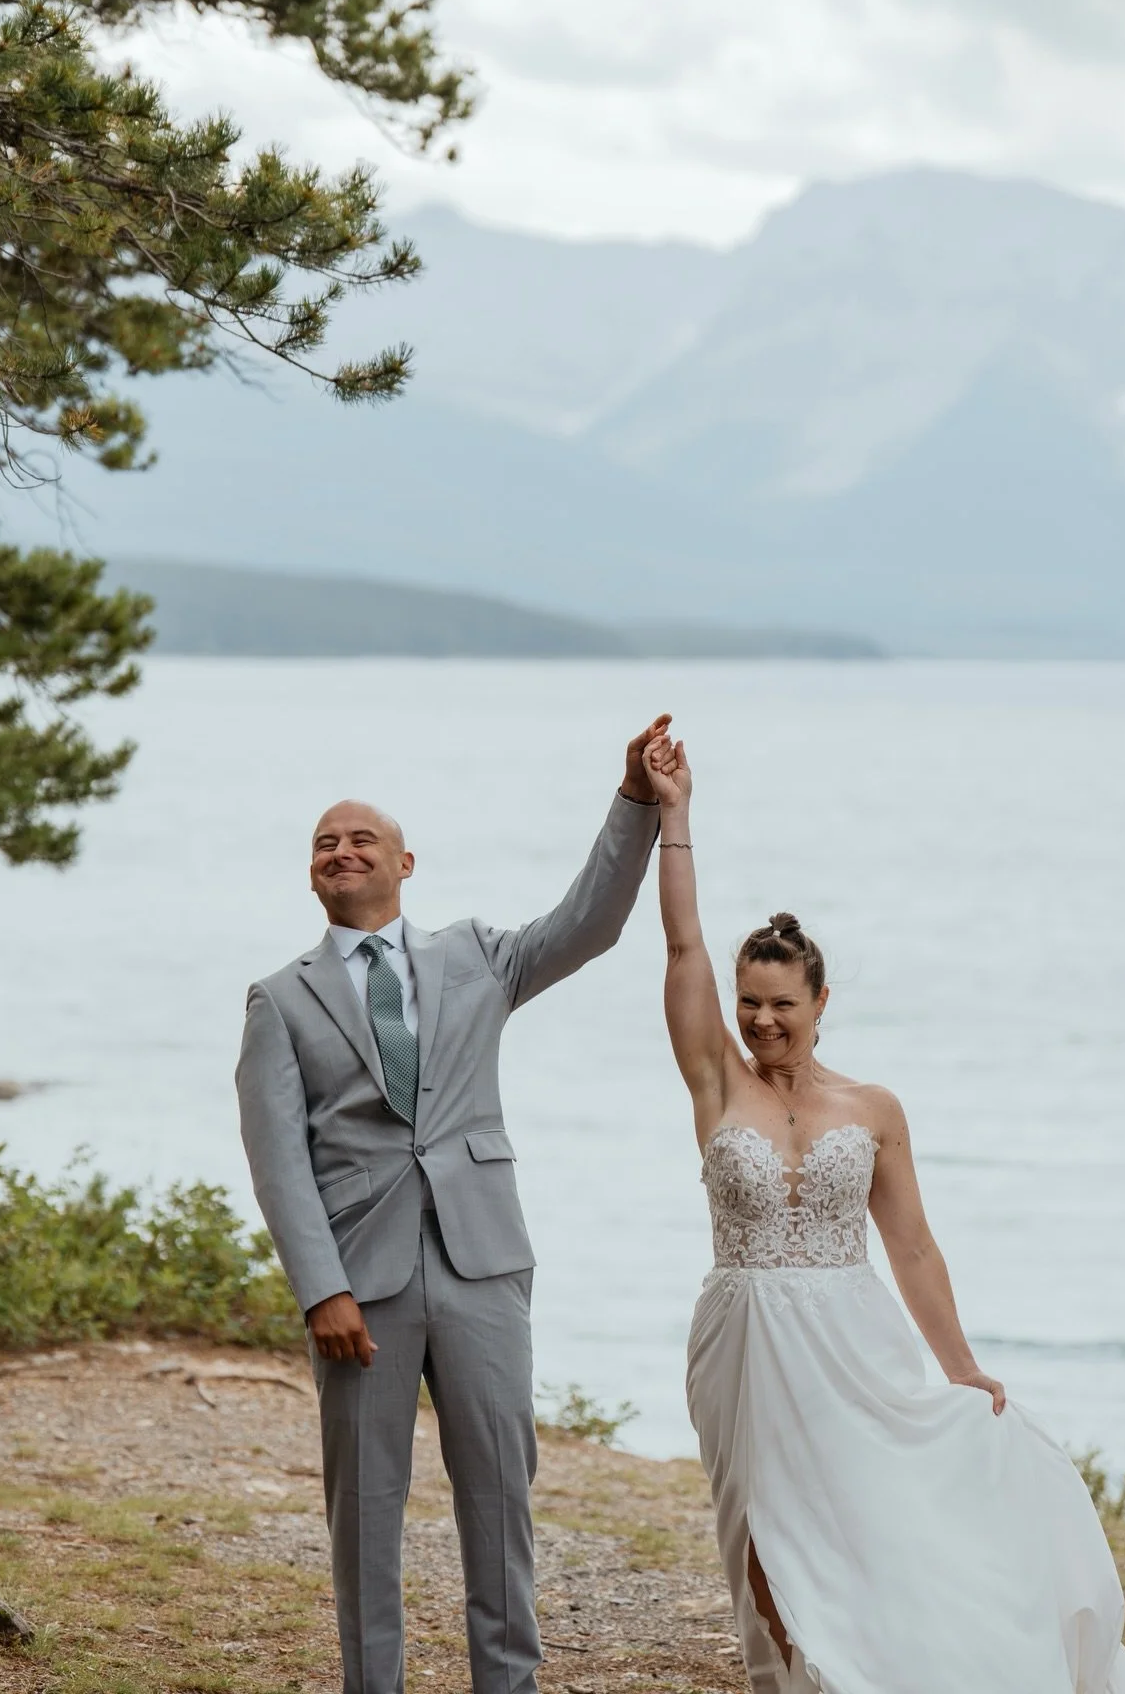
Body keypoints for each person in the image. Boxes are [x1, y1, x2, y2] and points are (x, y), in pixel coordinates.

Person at [639, 728, 1125, 1694]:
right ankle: (790, 1678)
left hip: (852, 1335)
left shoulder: (872, 1110)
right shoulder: (716, 1085)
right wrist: (676, 816)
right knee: (759, 1535)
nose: (760, 1021)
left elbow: (911, 1245)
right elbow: (682, 945)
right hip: (744, 1335)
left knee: (866, 1519)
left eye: (780, 1004)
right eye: (748, 1003)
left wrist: (959, 1365)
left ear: (822, 999)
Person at [235, 717, 666, 1694]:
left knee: (501, 1498)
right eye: (323, 843)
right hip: (360, 1286)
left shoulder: (480, 956)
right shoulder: (279, 1000)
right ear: (312, 875)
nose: (340, 851)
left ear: (405, 862)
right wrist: (320, 1289)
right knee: (366, 1513)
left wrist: (635, 800)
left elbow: (589, 923)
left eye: (361, 839)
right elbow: (277, 1162)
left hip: (483, 1267)